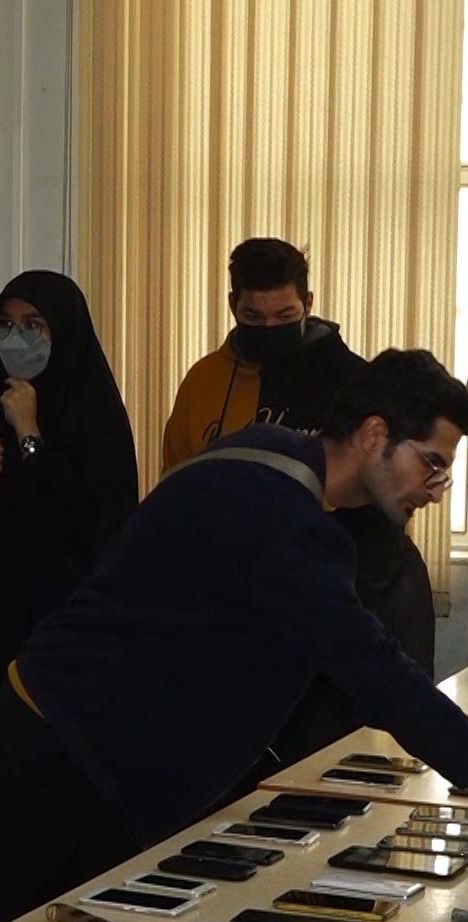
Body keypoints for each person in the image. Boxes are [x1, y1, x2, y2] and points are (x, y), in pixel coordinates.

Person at [0, 349, 468, 922]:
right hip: (66, 748)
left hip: (73, 732)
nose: (436, 489)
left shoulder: (264, 452)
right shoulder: (289, 526)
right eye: (432, 464)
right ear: (374, 434)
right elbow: (385, 681)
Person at [163, 237, 437, 781]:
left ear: (308, 302)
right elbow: (180, 488)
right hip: (240, 609)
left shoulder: (354, 384)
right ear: (232, 306)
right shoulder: (204, 382)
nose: (269, 328)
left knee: (349, 767)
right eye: (253, 316)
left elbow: (390, 503)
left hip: (351, 589)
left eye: (284, 315)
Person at [0, 271, 137, 844]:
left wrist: (31, 435)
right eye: (5, 325)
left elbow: (91, 530)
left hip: (63, 651)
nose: (17, 339)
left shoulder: (96, 420)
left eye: (34, 325)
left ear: (63, 331)